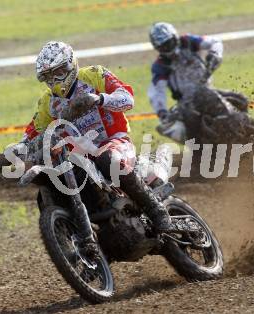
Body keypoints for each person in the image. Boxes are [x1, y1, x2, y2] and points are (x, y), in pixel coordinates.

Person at [22, 41, 172, 254]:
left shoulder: (93, 75)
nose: (55, 80)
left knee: (107, 158)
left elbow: (127, 98)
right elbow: (33, 131)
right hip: (80, 153)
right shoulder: (48, 102)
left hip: (114, 140)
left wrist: (100, 99)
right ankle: (75, 246)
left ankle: (156, 210)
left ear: (71, 64)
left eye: (60, 72)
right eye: (49, 76)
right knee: (52, 182)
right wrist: (11, 152)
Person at [147, 22, 224, 142]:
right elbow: (157, 91)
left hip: (208, 90)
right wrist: (162, 112)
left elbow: (215, 42)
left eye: (169, 43)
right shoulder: (160, 66)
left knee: (240, 101)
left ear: (175, 37)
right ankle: (200, 151)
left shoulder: (188, 41)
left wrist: (215, 55)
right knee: (178, 130)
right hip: (186, 104)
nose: (168, 49)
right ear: (157, 48)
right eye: (163, 47)